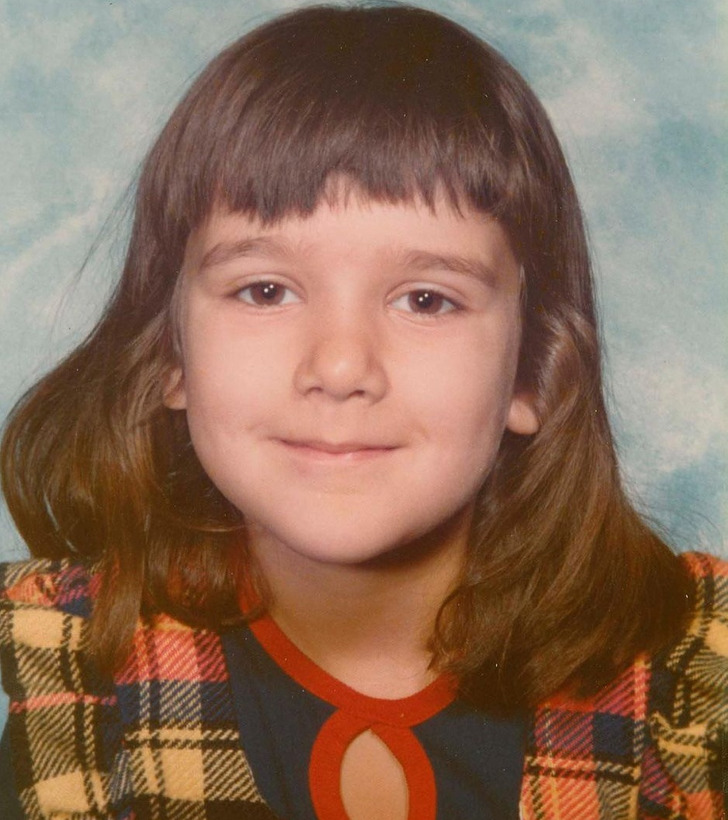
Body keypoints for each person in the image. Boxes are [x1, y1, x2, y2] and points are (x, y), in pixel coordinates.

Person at [0, 4, 725, 818]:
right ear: (170, 355)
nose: (340, 368)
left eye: (427, 299)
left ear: (533, 374)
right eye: (264, 290)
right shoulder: (81, 681)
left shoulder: (691, 689)